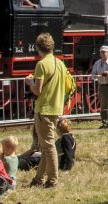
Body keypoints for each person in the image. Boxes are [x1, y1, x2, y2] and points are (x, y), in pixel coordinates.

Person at [25, 32, 68, 188]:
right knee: (45, 147)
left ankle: (53, 180)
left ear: (38, 47)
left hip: (44, 109)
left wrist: (30, 82)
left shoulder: (41, 64)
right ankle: (38, 179)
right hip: (56, 107)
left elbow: (37, 90)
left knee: (48, 147)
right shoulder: (60, 63)